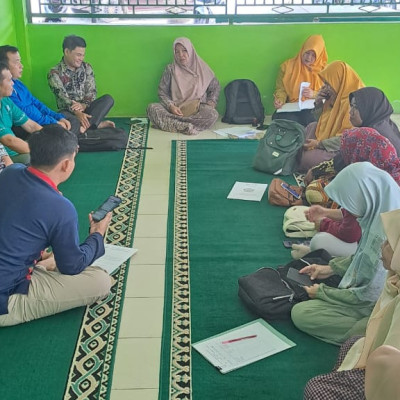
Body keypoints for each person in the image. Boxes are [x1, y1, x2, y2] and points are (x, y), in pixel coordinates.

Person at [0, 124, 112, 326]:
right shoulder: (60, 207)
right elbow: (72, 266)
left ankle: (44, 262)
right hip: (6, 297)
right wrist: (97, 235)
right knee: (100, 281)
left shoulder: (10, 172)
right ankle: (42, 266)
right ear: (67, 165)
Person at [291, 162, 400, 346]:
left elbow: (371, 296)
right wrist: (330, 268)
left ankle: (366, 338)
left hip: (379, 308)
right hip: (373, 302)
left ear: (366, 196)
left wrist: (323, 293)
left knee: (302, 314)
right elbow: (362, 258)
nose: (346, 211)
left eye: (349, 203)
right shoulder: (381, 215)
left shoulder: (388, 234)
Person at [303, 209, 400, 400]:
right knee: (354, 343)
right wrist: (330, 269)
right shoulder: (395, 278)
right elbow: (357, 258)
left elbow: (365, 297)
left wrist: (322, 292)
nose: (382, 245)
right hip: (383, 357)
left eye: (389, 243)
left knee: (315, 390)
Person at [304, 127, 400, 207]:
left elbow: (351, 219)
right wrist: (313, 171)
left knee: (314, 192)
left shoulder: (378, 184)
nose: (351, 112)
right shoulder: (378, 151)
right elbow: (336, 162)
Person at [297, 61, 364, 171]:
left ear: (339, 80)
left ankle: (305, 158)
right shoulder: (335, 95)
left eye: (329, 84)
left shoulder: (352, 104)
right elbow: (321, 121)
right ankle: (303, 153)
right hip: (328, 138)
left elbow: (347, 139)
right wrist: (318, 103)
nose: (325, 88)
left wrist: (319, 144)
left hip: (342, 148)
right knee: (311, 126)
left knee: (306, 159)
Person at [0, 45, 80, 138]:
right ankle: (69, 141)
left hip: (39, 122)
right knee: (61, 129)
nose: (21, 66)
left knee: (71, 120)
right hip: (28, 126)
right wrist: (54, 122)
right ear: (3, 66)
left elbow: (37, 103)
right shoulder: (6, 91)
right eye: (16, 62)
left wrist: (58, 117)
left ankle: (67, 141)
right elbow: (27, 116)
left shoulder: (18, 84)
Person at [147, 37, 220, 136]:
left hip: (198, 109)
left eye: (184, 51)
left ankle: (175, 124)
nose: (181, 55)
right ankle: (186, 126)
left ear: (191, 51)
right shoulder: (170, 69)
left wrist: (211, 102)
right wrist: (171, 106)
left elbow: (215, 87)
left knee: (212, 114)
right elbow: (162, 92)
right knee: (152, 108)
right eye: (177, 52)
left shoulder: (202, 68)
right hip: (176, 109)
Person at [48, 35, 115, 134]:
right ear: (67, 52)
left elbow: (91, 91)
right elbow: (63, 97)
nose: (81, 58)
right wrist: (77, 112)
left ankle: (84, 127)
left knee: (108, 99)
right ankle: (96, 125)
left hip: (87, 109)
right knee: (66, 121)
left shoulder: (86, 67)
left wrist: (83, 105)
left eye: (83, 55)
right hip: (68, 111)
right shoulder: (54, 72)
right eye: (78, 55)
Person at [272, 35, 327, 127]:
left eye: (313, 55)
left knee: (313, 120)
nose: (309, 58)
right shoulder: (287, 67)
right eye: (307, 53)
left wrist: (313, 94)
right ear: (302, 50)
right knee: (280, 119)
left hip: (313, 108)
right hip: (292, 107)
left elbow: (330, 94)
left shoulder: (325, 71)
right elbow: (281, 89)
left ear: (319, 55)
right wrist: (280, 100)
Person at [0, 62, 42, 164]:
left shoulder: (6, 101)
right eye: (9, 80)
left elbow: (31, 125)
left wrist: (53, 139)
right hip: (6, 157)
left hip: (16, 151)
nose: (13, 83)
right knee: (33, 158)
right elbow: (9, 141)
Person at [349, 86, 400, 154]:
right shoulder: (386, 124)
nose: (350, 112)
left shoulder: (371, 137)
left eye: (356, 107)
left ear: (370, 109)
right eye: (351, 106)